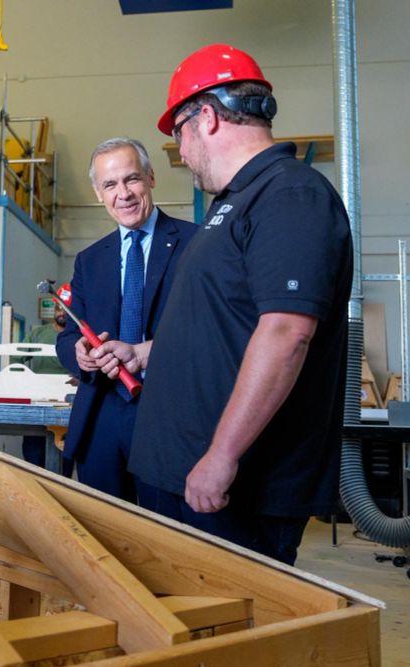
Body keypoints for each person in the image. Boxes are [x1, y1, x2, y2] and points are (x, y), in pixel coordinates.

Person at [91, 44, 353, 564]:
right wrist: (145, 354)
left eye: (178, 135)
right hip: (181, 474)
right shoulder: (234, 203)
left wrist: (222, 455)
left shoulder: (291, 194)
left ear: (205, 116)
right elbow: (218, 328)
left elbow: (286, 333)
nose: (182, 153)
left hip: (232, 487)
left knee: (233, 633)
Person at [56, 137, 197, 502]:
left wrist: (148, 351)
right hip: (102, 415)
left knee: (166, 533)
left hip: (169, 414)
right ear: (98, 193)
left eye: (132, 179)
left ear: (151, 178)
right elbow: (68, 335)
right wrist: (80, 352)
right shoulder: (90, 259)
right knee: (103, 531)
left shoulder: (196, 244)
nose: (124, 193)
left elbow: (209, 330)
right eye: (110, 184)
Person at [14, 282, 74, 476]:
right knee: (33, 460)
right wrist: (20, 379)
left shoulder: (79, 336)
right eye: (59, 307)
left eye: (67, 308)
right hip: (37, 404)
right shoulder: (38, 333)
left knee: (63, 468)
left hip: (67, 409)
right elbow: (16, 358)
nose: (62, 312)